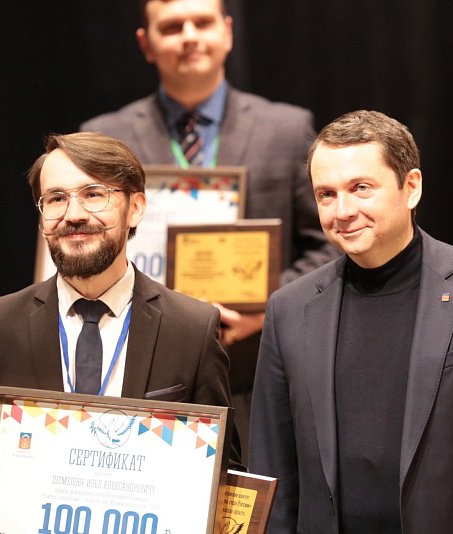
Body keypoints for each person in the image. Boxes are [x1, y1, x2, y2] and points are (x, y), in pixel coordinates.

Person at [0, 132, 237, 533]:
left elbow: (224, 479)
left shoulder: (192, 328)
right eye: (56, 198)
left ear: (136, 208)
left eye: (93, 194)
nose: (73, 214)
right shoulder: (0, 326)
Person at [248, 110, 453, 533]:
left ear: (411, 187)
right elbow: (272, 473)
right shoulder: (288, 309)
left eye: (361, 188)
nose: (343, 210)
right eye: (326, 194)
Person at [80, 0, 337, 457]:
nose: (189, 36)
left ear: (228, 32)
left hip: (257, 374)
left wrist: (267, 305)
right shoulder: (105, 138)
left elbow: (330, 242)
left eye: (202, 22)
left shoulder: (286, 128)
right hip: (142, 379)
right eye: (172, 27)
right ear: (146, 44)